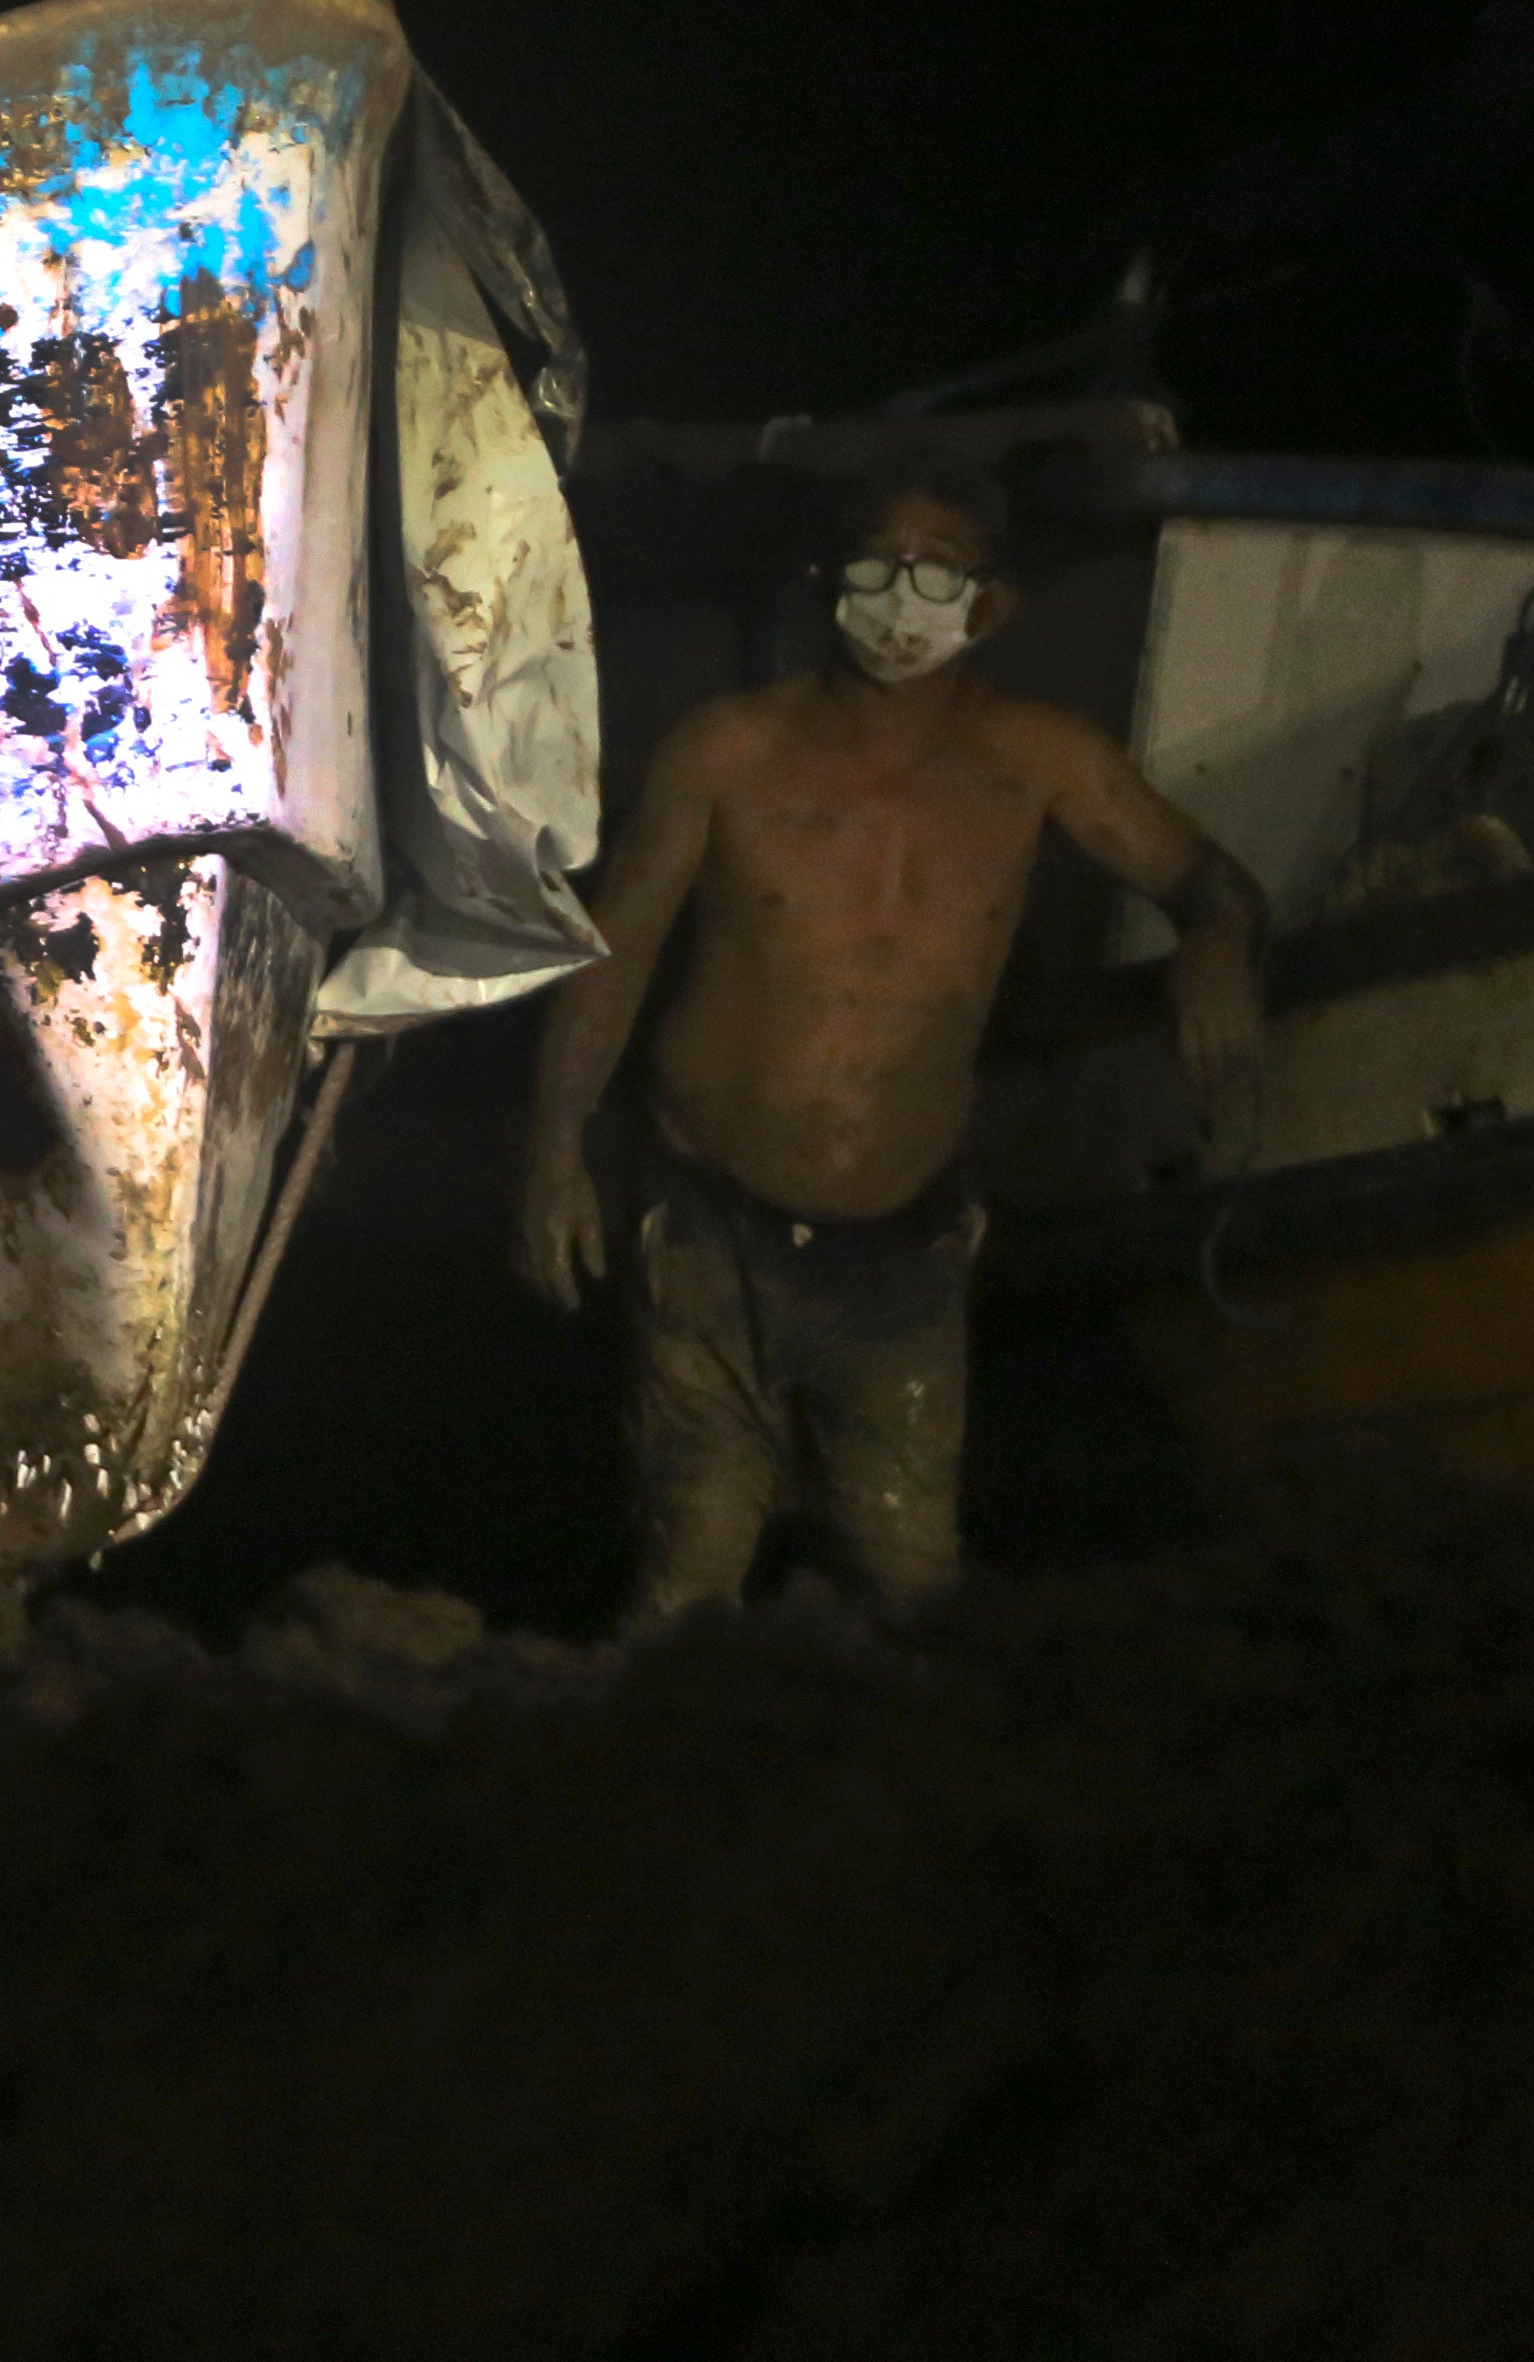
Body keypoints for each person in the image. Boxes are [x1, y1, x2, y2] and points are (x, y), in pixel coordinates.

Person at [517, 470, 1259, 1626]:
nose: (900, 593)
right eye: (877, 561)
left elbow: (1209, 879)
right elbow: (614, 955)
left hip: (905, 1239)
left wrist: (1215, 942)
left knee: (910, 1572)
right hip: (710, 1216)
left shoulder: (1039, 757)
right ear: (828, 585)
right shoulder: (725, 750)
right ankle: (649, 1777)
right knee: (691, 1562)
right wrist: (554, 1152)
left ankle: (882, 1788)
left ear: (993, 606)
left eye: (938, 567)